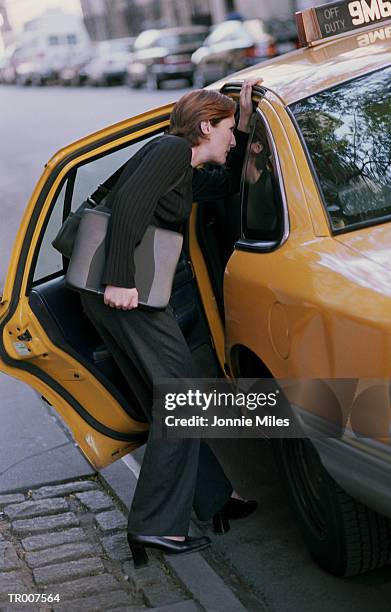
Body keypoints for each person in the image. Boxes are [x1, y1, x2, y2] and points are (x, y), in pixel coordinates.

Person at [81, 79, 262, 568]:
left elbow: (226, 183)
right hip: (126, 294)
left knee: (167, 398)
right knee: (182, 396)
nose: (228, 140)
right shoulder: (167, 150)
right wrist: (118, 279)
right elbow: (127, 210)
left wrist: (243, 122)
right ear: (205, 126)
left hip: (131, 295)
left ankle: (212, 499)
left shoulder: (186, 168)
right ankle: (154, 527)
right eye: (225, 130)